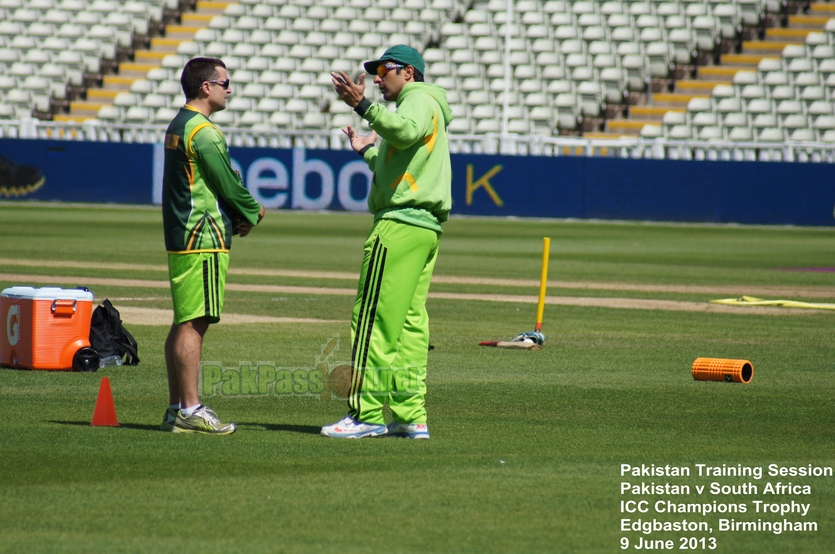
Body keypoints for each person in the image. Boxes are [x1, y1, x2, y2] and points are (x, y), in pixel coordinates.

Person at [321, 45, 453, 439]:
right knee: (410, 326)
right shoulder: (429, 105)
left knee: (373, 321)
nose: (378, 78)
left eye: (385, 70)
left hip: (398, 228)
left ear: (409, 72)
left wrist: (364, 107)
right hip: (423, 228)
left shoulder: (417, 100)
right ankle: (411, 416)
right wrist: (368, 152)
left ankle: (366, 415)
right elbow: (401, 164)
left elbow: (406, 131)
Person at [160, 57, 265, 434]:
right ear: (207, 87)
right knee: (195, 323)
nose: (229, 89)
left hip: (182, 234)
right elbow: (225, 182)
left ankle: (177, 408)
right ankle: (191, 408)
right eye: (225, 82)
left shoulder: (178, 125)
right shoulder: (204, 131)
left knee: (183, 321)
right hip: (201, 235)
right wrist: (253, 211)